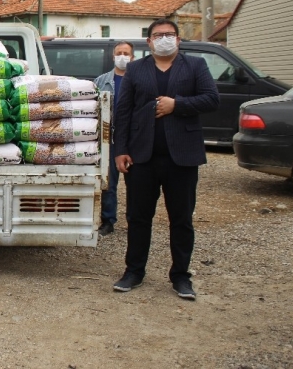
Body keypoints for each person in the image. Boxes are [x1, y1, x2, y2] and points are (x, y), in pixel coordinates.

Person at [112, 19, 219, 300]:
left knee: (181, 219)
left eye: (169, 35)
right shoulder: (135, 69)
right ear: (148, 42)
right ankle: (134, 271)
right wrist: (120, 150)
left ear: (178, 39)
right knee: (137, 217)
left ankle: (181, 276)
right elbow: (123, 112)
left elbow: (211, 99)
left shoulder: (195, 66)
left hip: (182, 157)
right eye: (158, 35)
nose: (163, 39)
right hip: (141, 157)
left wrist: (177, 105)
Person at [94, 41, 135, 236]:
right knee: (109, 183)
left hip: (134, 139)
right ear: (113, 57)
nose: (122, 56)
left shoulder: (139, 79)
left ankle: (135, 220)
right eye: (119, 53)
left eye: (126, 53)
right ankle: (108, 220)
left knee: (136, 183)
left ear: (132, 57)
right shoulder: (102, 81)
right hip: (108, 139)